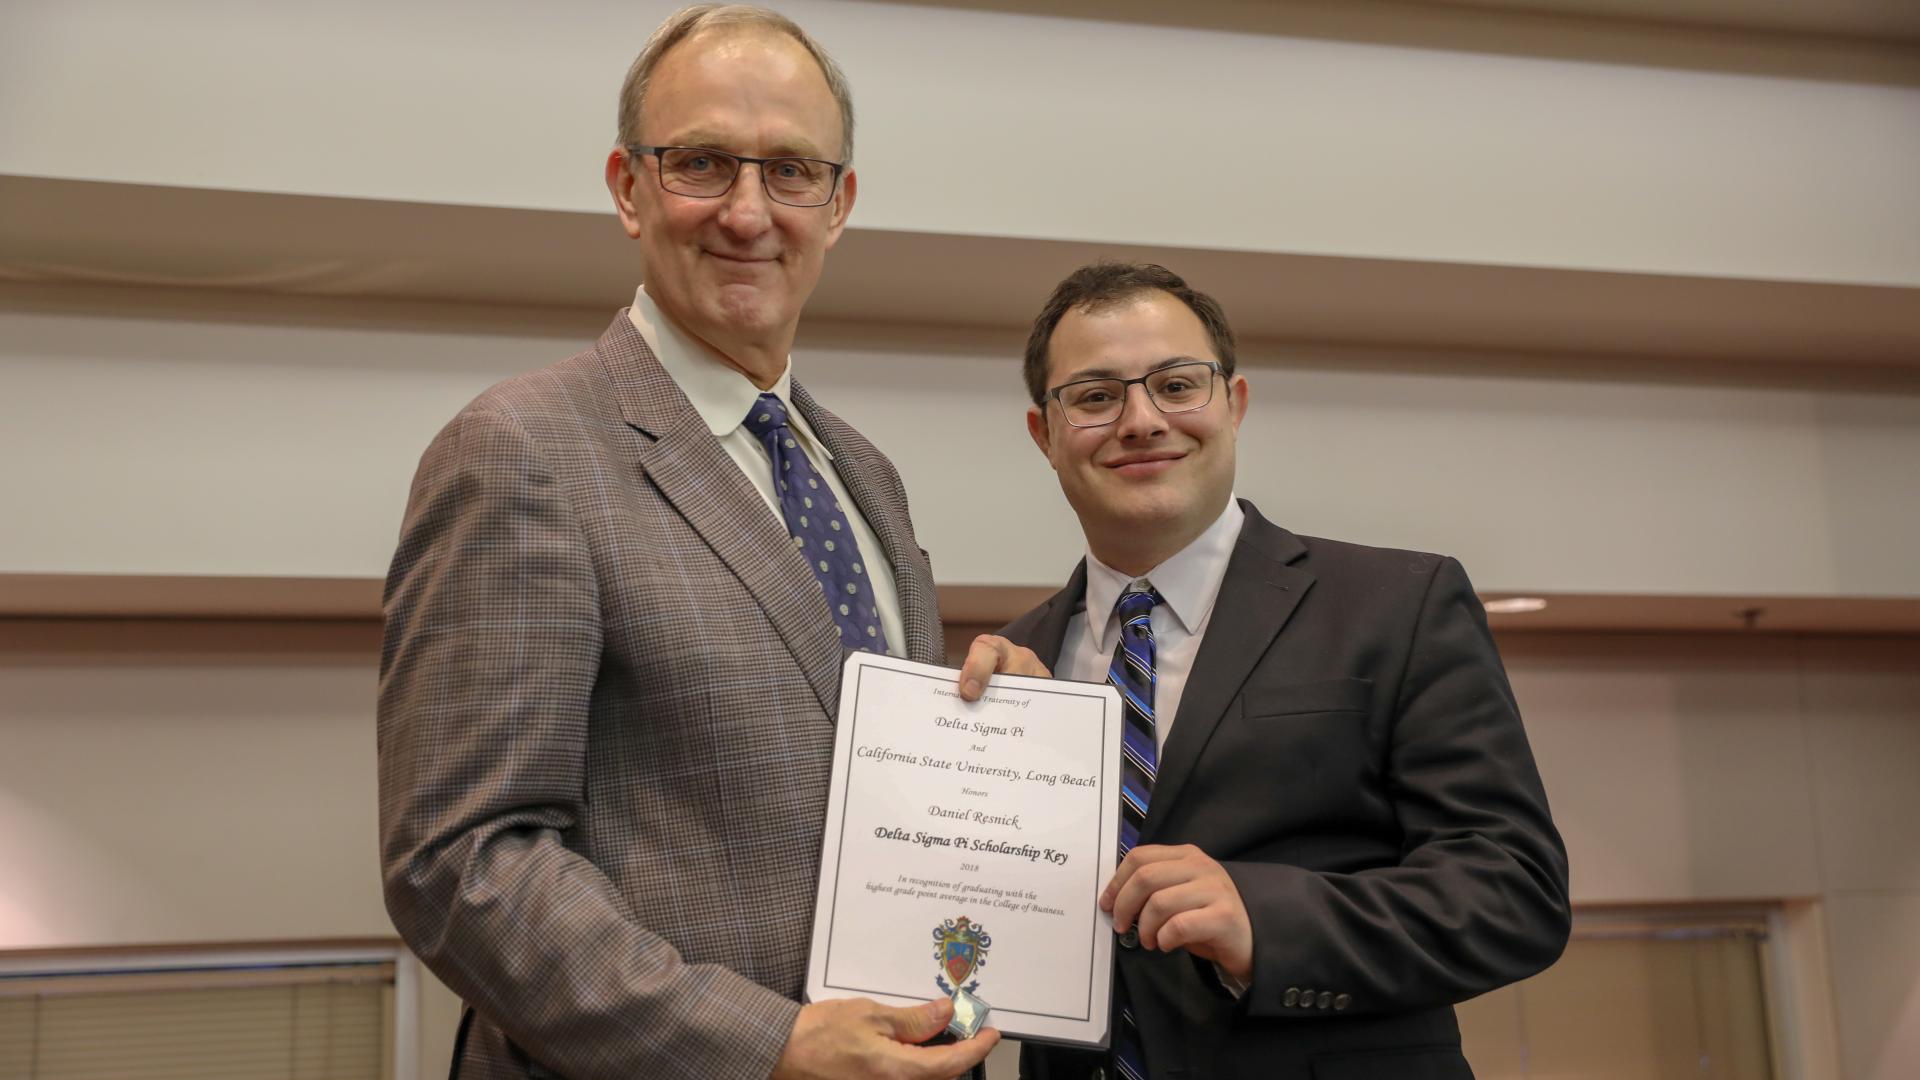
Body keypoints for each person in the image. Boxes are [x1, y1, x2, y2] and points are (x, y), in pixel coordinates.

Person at [377, 7, 1001, 1078]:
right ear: (628, 186)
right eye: (703, 163)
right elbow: (464, 860)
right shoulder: (518, 450)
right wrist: (766, 1046)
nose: (749, 212)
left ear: (839, 203)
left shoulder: (866, 478)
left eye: (792, 170)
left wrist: (991, 728)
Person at [972, 261, 1570, 1079]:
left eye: (1177, 384)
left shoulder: (1398, 605)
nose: (1141, 420)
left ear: (1234, 404)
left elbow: (1514, 894)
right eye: (1096, 396)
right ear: (1045, 433)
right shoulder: (1016, 666)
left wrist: (1266, 920)